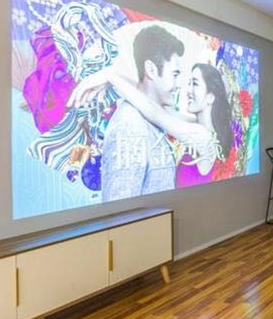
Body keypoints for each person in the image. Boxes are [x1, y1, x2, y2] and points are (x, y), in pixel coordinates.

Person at [71, 52, 233, 189]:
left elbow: (156, 113)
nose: (187, 90)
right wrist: (111, 78)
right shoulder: (194, 124)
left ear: (210, 97)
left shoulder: (203, 137)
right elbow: (153, 101)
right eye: (189, 83)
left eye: (195, 84)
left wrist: (110, 77)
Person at [82, 25, 184, 201]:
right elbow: (120, 206)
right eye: (175, 74)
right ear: (151, 70)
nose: (178, 84)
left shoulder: (151, 118)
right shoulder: (130, 127)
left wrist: (113, 78)